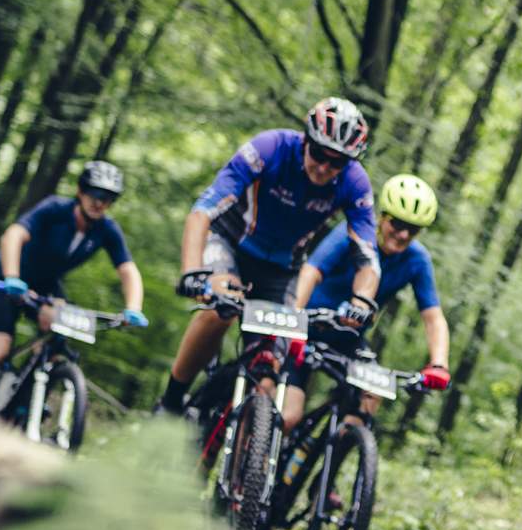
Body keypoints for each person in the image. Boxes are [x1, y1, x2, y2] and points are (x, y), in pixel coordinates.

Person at [158, 97, 381, 415]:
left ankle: (241, 432)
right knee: (220, 311)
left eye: (337, 162)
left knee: (269, 371)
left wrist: (361, 302)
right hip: (230, 243)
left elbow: (367, 256)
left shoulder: (354, 182)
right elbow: (202, 212)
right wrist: (192, 272)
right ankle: (171, 400)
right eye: (319, 154)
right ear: (306, 140)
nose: (324, 167)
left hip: (282, 268)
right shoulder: (270, 148)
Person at [0, 161, 147, 409]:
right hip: (6, 279)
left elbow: (128, 269)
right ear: (80, 191)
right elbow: (13, 235)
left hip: (46, 285)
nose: (99, 202)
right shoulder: (55, 208)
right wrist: (12, 277)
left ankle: (28, 401)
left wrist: (133, 308)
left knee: (57, 345)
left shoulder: (107, 229)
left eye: (107, 198)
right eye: (94, 194)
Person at [283, 173, 452, 431]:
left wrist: (439, 365)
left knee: (372, 396)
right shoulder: (353, 233)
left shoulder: (417, 260)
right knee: (289, 415)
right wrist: (292, 322)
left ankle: (338, 450)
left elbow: (433, 318)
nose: (403, 234)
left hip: (348, 339)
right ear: (382, 217)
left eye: (413, 230)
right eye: (397, 223)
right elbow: (310, 273)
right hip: (306, 327)